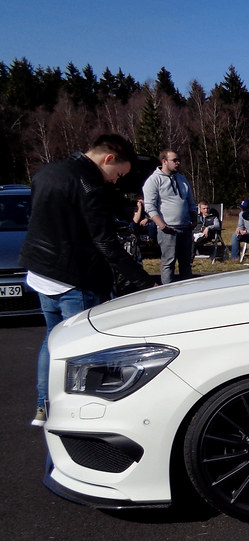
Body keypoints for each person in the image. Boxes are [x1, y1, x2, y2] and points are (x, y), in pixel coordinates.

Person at [18, 133, 158, 426]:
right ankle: (85, 412)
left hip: (41, 271)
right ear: (108, 159)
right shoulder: (88, 183)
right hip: (73, 277)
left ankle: (44, 406)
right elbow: (105, 243)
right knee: (88, 349)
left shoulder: (46, 172)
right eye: (117, 173)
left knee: (52, 339)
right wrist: (144, 282)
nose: (115, 181)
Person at [143, 149, 197, 283]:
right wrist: (162, 225)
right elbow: (149, 206)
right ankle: (167, 295)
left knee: (186, 264)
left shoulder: (182, 178)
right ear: (164, 161)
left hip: (185, 228)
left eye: (179, 160)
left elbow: (190, 201)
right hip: (168, 229)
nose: (178, 163)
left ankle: (187, 292)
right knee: (168, 263)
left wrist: (194, 220)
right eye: (174, 160)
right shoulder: (154, 180)